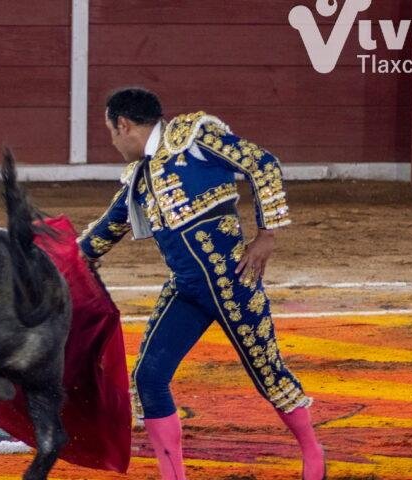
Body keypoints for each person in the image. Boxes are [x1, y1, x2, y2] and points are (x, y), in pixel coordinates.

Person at [77, 87, 325, 480]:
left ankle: (313, 455)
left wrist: (267, 235)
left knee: (268, 373)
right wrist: (66, 260)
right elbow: (109, 227)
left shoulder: (194, 137)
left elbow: (263, 164)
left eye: (110, 130)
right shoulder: (140, 178)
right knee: (149, 378)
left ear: (124, 125)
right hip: (186, 289)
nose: (112, 140)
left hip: (234, 282)